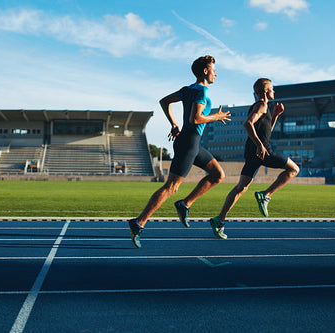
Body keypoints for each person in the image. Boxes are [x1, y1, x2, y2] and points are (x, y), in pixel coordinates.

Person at [128, 55, 231, 248]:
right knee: (171, 187)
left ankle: (185, 204)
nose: (216, 73)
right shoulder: (202, 91)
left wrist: (174, 123)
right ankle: (138, 222)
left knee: (218, 174)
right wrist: (216, 116)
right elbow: (196, 119)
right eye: (214, 70)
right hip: (189, 143)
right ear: (205, 71)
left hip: (190, 142)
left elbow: (164, 101)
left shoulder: (187, 89)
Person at [209, 78, 300, 239]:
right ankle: (266, 195)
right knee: (294, 169)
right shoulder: (261, 105)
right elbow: (247, 124)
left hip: (253, 153)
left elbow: (265, 133)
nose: (274, 91)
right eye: (272, 89)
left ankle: (219, 220)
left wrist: (276, 116)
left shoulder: (263, 108)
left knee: (241, 188)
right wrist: (260, 145)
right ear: (265, 91)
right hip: (262, 152)